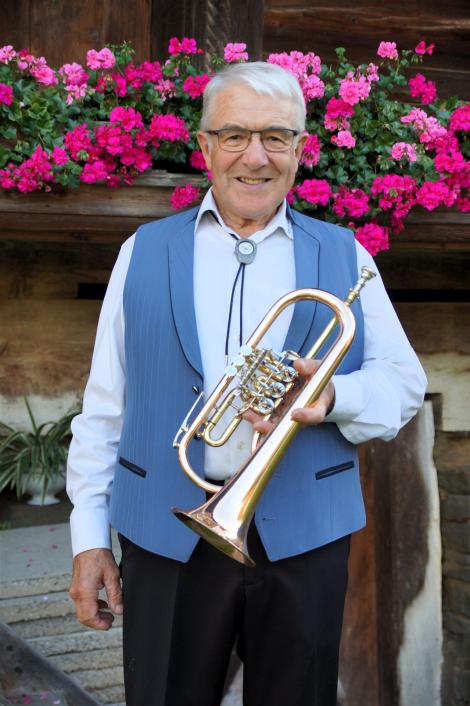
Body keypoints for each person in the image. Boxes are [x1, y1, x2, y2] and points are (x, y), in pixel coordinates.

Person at [67, 61, 427, 706]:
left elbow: (403, 384)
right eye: (234, 135)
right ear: (204, 147)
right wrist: (89, 536)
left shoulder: (345, 252)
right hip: (166, 534)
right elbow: (105, 408)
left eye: (275, 137)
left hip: (304, 535)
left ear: (300, 148)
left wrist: (333, 397)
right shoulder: (142, 251)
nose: (255, 157)